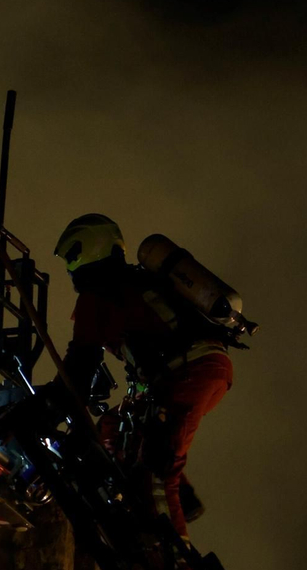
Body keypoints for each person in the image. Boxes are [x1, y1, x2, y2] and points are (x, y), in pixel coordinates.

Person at [49, 213, 236, 538]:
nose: (68, 267)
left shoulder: (96, 296)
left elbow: (79, 366)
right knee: (114, 428)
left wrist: (45, 406)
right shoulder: (136, 283)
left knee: (157, 470)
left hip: (187, 372)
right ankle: (184, 500)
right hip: (199, 369)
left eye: (71, 255)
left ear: (90, 247)